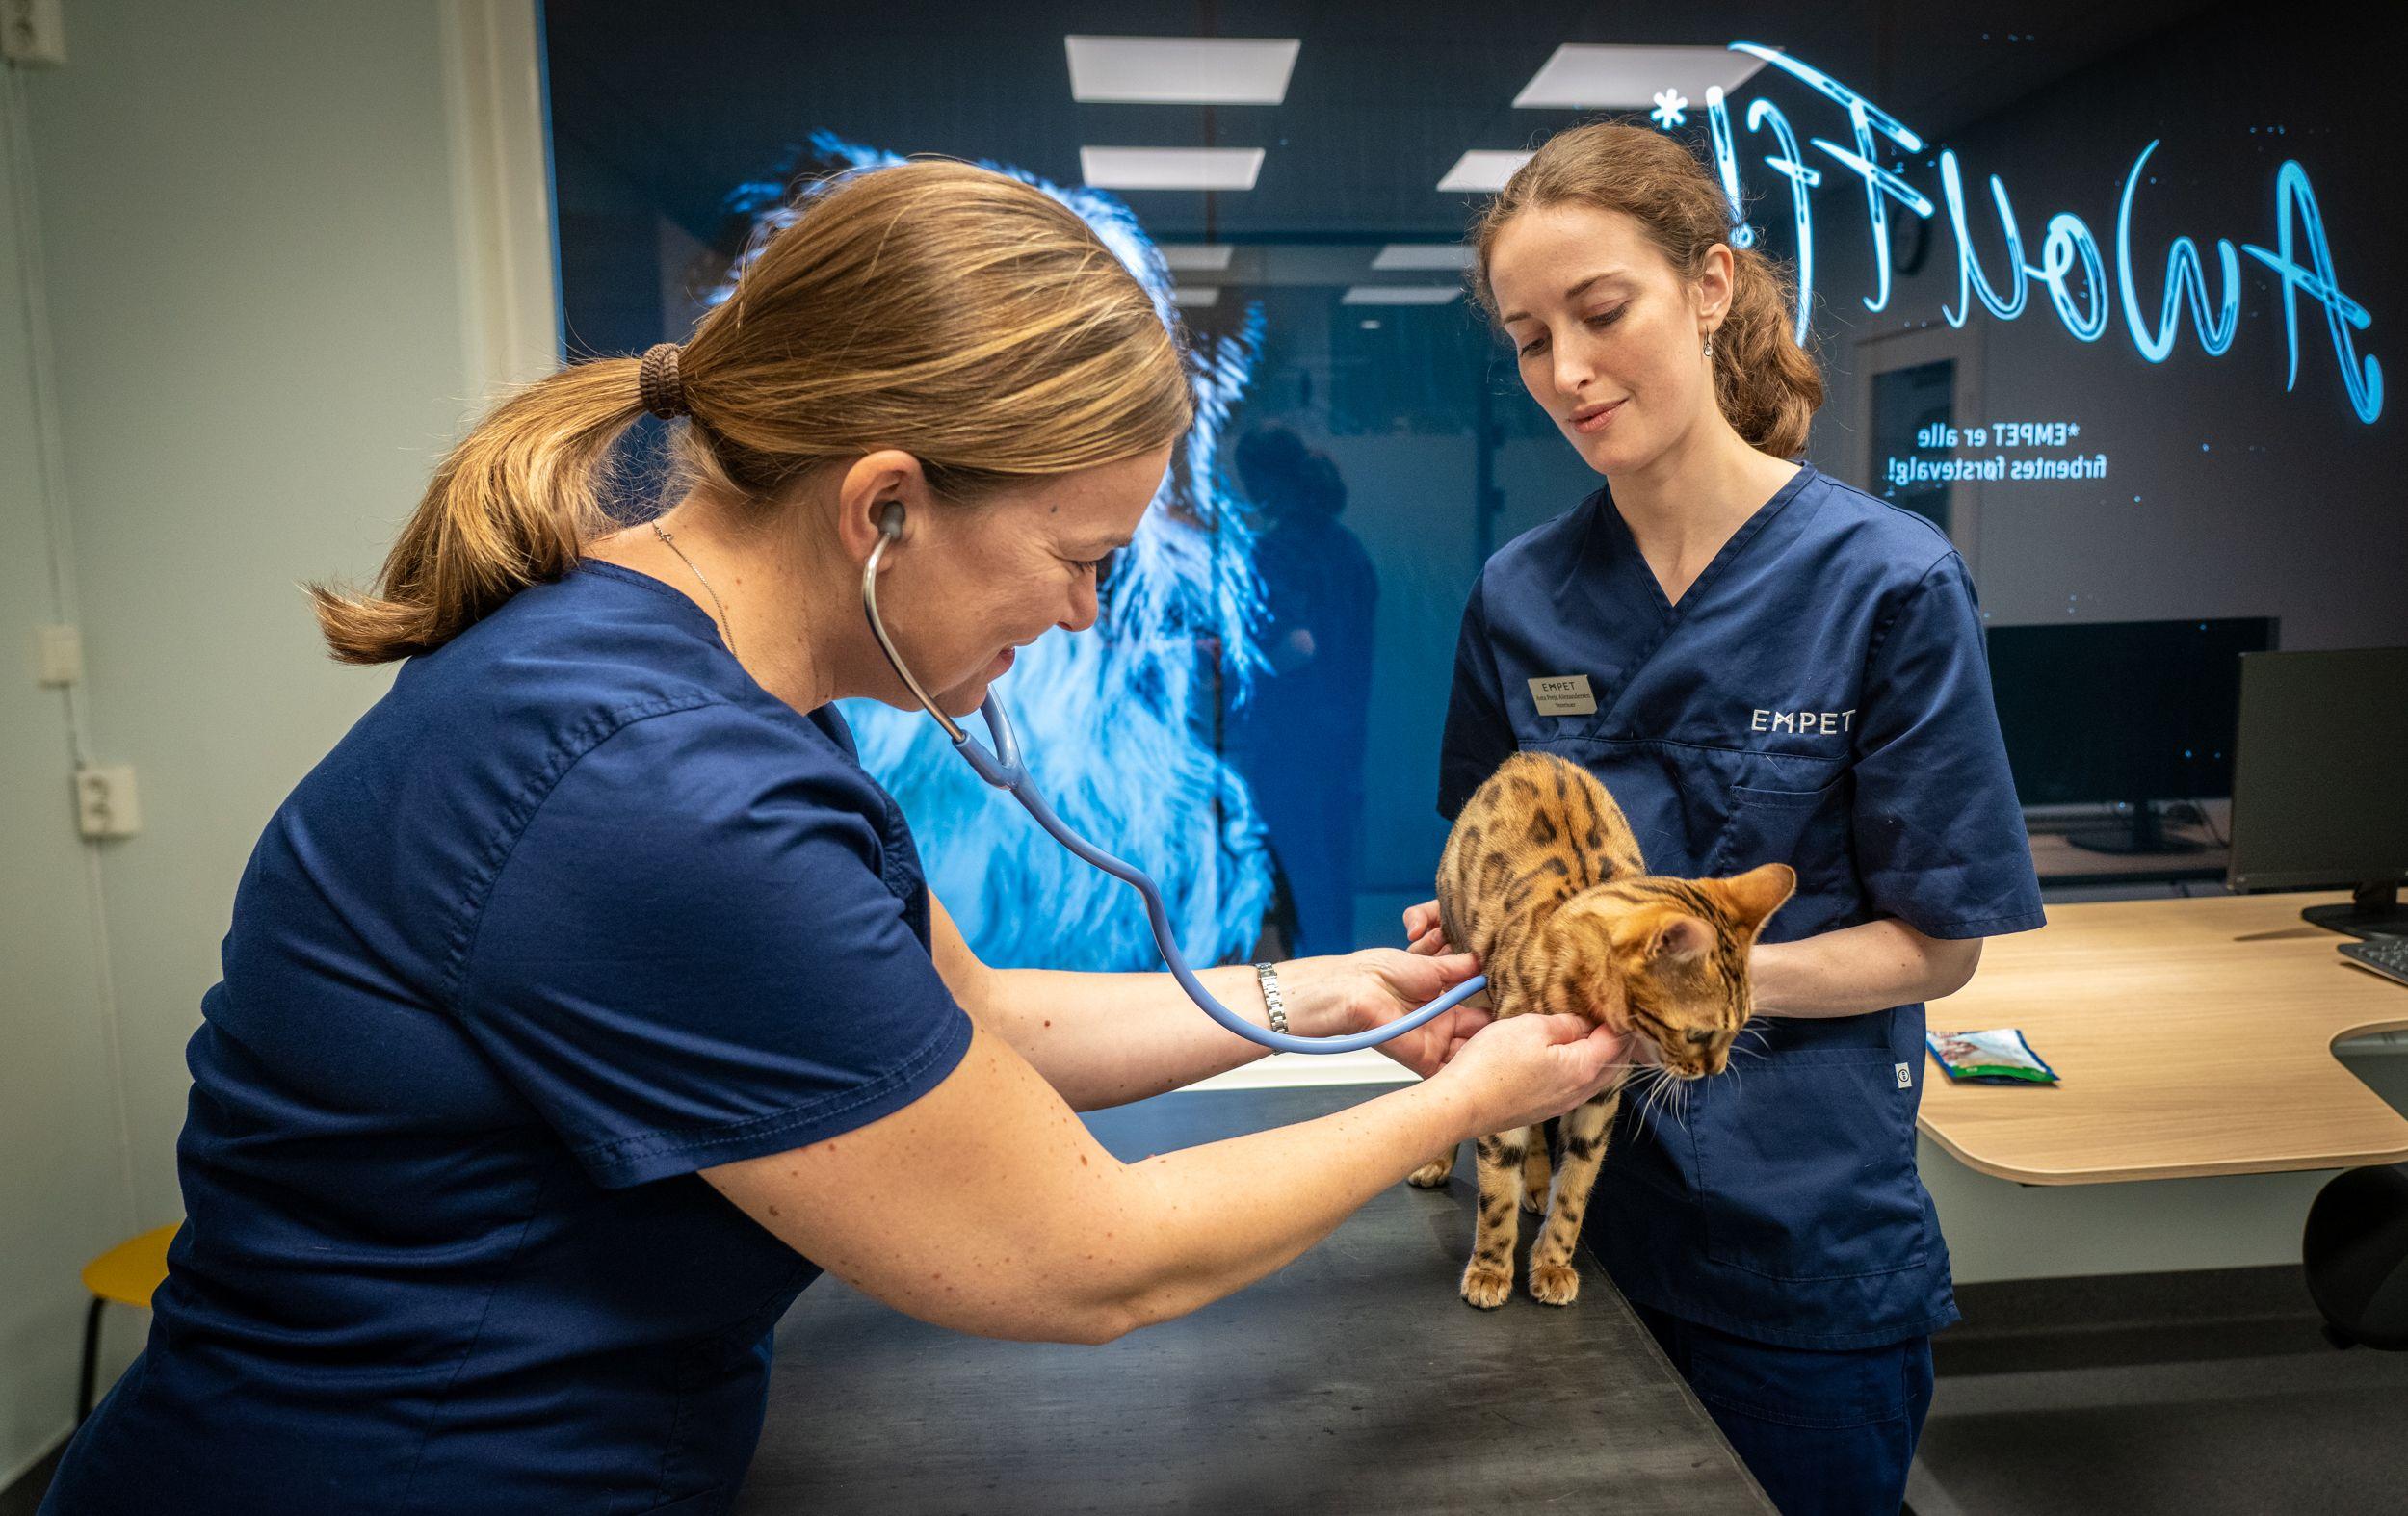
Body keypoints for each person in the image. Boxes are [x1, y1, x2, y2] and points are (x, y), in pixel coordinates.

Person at [39, 161, 1632, 1516]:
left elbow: (977, 1020)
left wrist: (1335, 994)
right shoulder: (653, 787)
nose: (1084, 612)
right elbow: (1085, 1253)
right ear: (884, 510)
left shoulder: (701, 686)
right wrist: (1479, 1093)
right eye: (1079, 556)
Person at [1401, 122, 2046, 1516]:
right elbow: (1487, 857)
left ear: (1710, 287)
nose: (1564, 372)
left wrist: (1654, 985)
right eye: (1526, 337)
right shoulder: (1520, 596)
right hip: (1567, 1208)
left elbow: (1940, 947)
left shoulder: (1888, 584)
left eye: (1600, 311)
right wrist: (1478, 945)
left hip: (1796, 1235)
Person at [1225, 425, 1379, 956]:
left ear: (1264, 480)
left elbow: (1301, 644)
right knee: (1331, 866)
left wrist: (1235, 661)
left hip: (1290, 738)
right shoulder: (1348, 548)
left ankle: (1313, 990)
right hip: (1341, 734)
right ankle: (1339, 977)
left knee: (1295, 863)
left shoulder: (1277, 550)